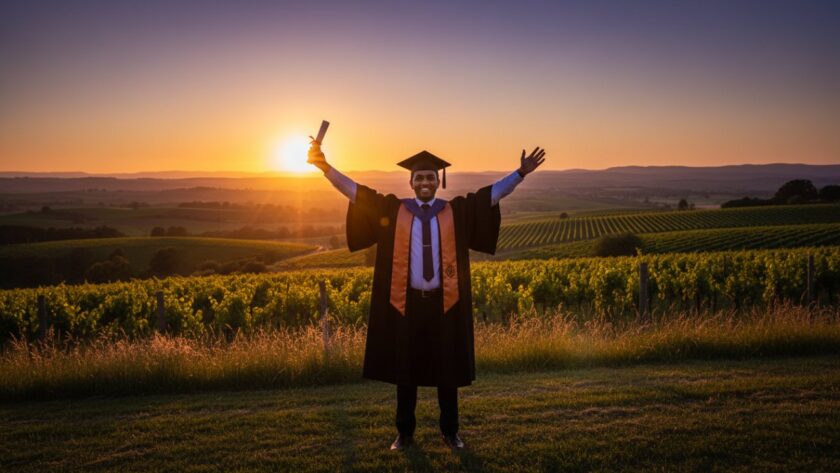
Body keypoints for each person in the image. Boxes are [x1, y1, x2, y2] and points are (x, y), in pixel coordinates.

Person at [308, 135, 545, 451]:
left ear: (438, 181)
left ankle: (451, 432)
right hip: (405, 304)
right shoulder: (395, 210)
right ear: (411, 181)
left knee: (447, 372)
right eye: (419, 177)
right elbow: (355, 192)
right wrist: (324, 167)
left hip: (444, 304)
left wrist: (520, 174)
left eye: (430, 177)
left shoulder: (454, 211)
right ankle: (404, 434)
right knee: (406, 373)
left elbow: (490, 195)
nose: (424, 182)